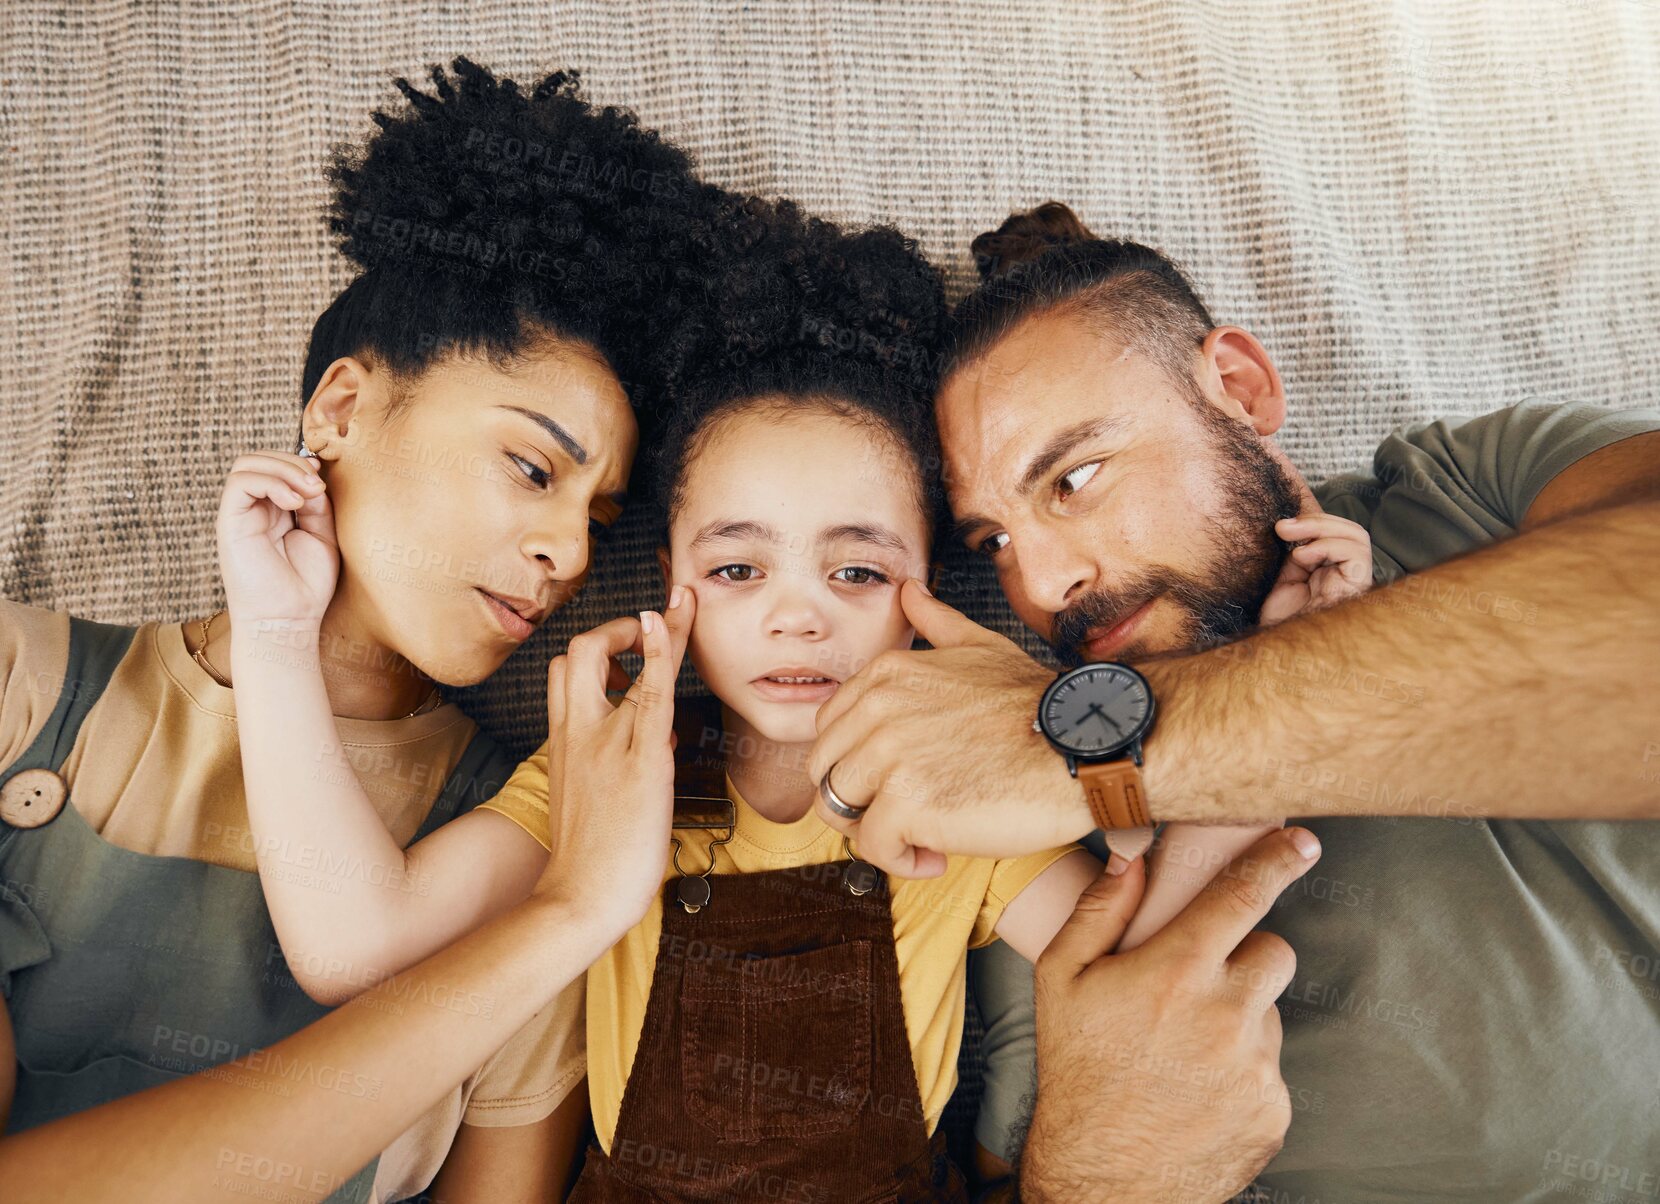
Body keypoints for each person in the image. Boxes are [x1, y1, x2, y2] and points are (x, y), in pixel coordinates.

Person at [807, 201, 1660, 1200]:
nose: (1039, 583)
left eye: (1075, 477)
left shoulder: (1466, 488)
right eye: (991, 542)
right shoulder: (1019, 834)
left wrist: (1085, 754)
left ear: (1239, 388)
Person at [0, 57, 718, 1202]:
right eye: (532, 466)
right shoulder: (21, 688)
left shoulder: (537, 827)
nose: (571, 553)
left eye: (599, 518)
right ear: (341, 406)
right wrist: (570, 911)